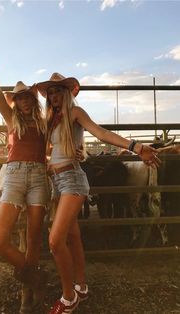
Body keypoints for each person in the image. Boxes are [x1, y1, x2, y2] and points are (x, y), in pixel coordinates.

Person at [36, 72, 161, 314]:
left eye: (57, 91)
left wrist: (136, 146)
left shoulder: (76, 113)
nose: (53, 96)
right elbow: (53, 151)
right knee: (72, 237)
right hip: (56, 182)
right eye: (50, 92)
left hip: (72, 179)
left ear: (66, 92)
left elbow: (101, 133)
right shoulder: (51, 119)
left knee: (54, 241)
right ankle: (81, 286)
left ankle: (68, 297)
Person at [0, 21, 50, 313]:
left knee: (33, 238)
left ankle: (27, 294)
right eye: (19, 98)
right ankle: (37, 277)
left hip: (39, 177)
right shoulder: (10, 119)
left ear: (33, 99)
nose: (24, 101)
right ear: (15, 102)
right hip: (16, 174)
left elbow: (61, 136)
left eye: (28, 97)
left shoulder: (43, 124)